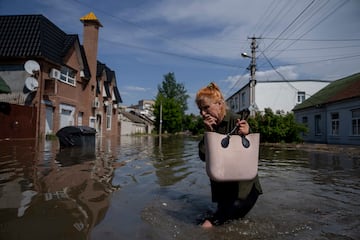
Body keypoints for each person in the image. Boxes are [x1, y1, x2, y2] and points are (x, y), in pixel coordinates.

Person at [196, 82, 262, 228]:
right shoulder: (212, 126)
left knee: (208, 226)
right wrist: (209, 133)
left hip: (244, 191)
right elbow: (203, 157)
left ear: (220, 104)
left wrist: (247, 134)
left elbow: (255, 157)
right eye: (200, 109)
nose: (202, 113)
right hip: (224, 191)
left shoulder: (237, 121)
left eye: (206, 108)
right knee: (223, 224)